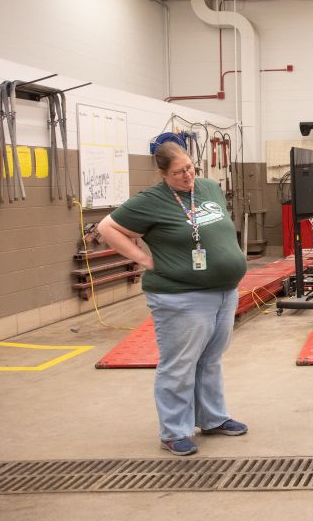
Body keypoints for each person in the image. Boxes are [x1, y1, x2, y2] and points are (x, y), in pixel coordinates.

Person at [97, 142, 249, 456]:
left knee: (209, 360)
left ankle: (211, 417)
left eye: (190, 168)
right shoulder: (151, 200)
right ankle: (174, 431)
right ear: (163, 174)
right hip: (181, 295)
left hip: (223, 291)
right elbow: (107, 228)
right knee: (179, 364)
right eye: (178, 172)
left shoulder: (207, 187)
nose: (187, 175)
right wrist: (142, 258)